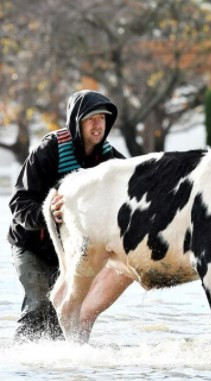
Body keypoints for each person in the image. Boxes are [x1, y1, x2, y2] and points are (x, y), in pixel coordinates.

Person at [7, 89, 125, 342]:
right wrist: (45, 213)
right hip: (31, 247)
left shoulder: (111, 159)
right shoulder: (49, 149)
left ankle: (57, 369)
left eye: (102, 118)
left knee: (64, 314)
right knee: (39, 306)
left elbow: (136, 188)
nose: (98, 124)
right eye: (91, 118)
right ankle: (17, 364)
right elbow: (18, 202)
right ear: (76, 121)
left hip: (71, 253)